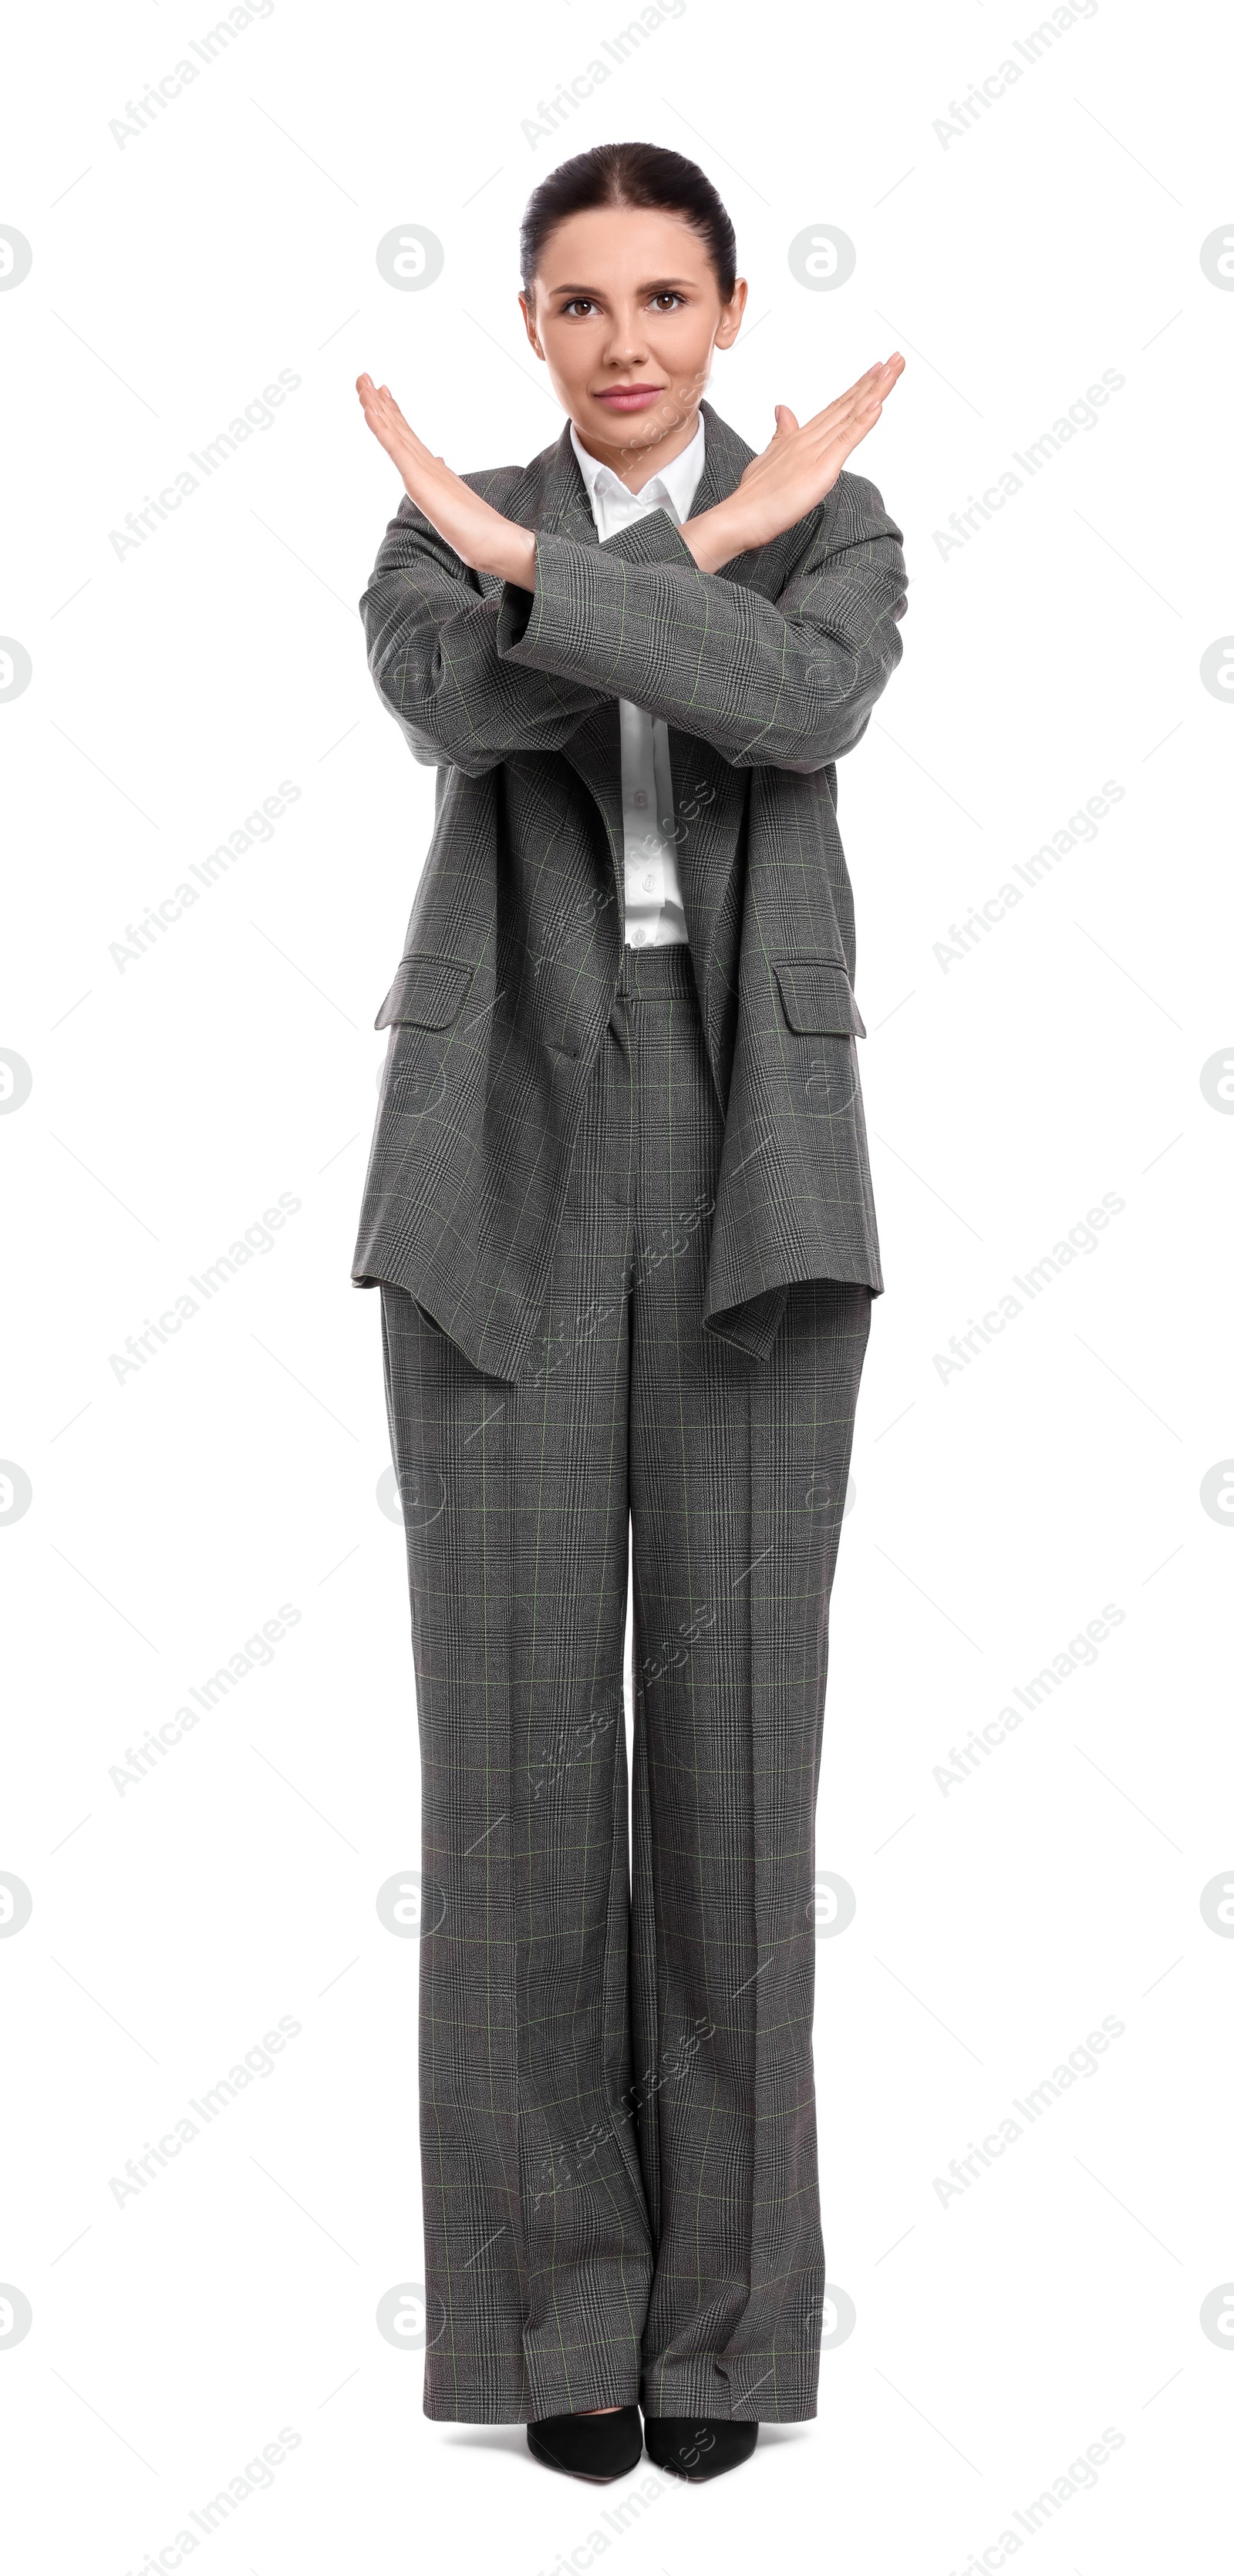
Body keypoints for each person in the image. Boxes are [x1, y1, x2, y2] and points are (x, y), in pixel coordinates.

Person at [352, 140, 907, 2484]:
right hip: (501, 1163)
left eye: (664, 295)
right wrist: (519, 559)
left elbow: (798, 711)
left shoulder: (839, 522)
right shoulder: (437, 529)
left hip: (753, 1158)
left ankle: (723, 2345)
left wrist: (587, 568)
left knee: (741, 1768)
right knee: (511, 1777)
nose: (627, 343)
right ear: (530, 325)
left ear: (728, 305)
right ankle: (555, 2326)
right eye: (579, 304)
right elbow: (466, 710)